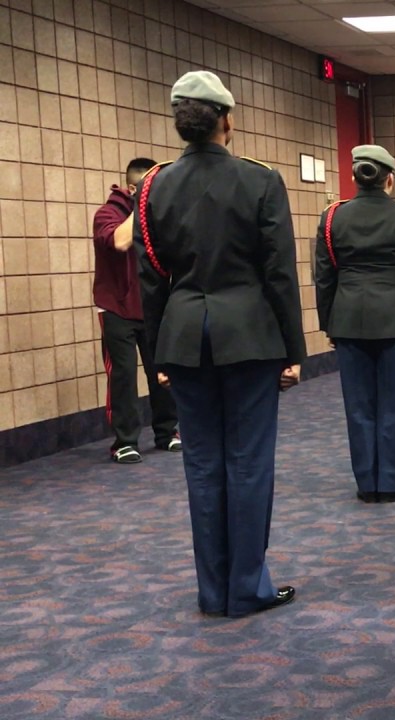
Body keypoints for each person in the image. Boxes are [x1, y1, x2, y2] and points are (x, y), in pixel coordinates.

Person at [136, 71, 303, 617]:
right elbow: (278, 272)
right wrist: (294, 350)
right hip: (250, 335)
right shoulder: (260, 180)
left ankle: (213, 591)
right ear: (227, 120)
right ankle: (247, 587)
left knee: (203, 465)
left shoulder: (154, 185)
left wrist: (160, 353)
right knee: (249, 462)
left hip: (184, 337)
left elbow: (151, 276)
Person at [315, 144, 395, 504]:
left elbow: (324, 276)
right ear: (390, 179)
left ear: (354, 177)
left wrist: (328, 324)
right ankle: (394, 482)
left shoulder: (333, 216)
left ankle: (367, 483)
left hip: (348, 319)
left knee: (359, 406)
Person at [92, 157, 180, 464]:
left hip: (152, 307)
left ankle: (167, 432)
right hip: (116, 307)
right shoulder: (107, 213)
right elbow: (119, 241)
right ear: (134, 189)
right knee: (124, 375)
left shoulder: (157, 215)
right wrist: (143, 204)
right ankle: (125, 441)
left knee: (163, 371)